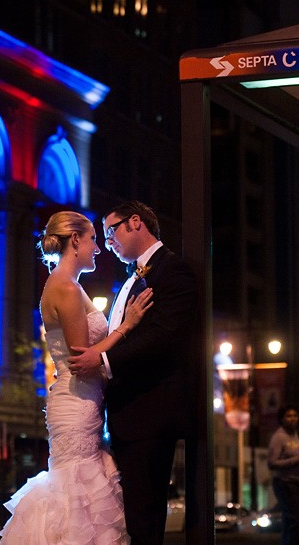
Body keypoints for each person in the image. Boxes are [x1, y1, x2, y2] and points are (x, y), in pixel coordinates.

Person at [0, 210, 153, 544]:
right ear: (76, 241)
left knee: (80, 499)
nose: (99, 248)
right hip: (76, 404)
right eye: (94, 240)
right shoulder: (66, 289)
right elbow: (83, 359)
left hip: (84, 402)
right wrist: (128, 325)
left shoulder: (69, 286)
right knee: (76, 500)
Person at [68, 201, 199, 544]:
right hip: (126, 413)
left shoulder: (172, 271)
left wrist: (105, 363)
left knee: (145, 516)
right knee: (132, 516)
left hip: (150, 412)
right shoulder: (131, 278)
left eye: (111, 232)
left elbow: (166, 337)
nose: (107, 243)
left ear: (136, 222)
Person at [267, 405, 299, 545]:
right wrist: (295, 461)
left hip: (297, 482)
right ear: (281, 419)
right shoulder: (279, 437)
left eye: (295, 416)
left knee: (290, 521)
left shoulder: (295, 435)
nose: (292, 419)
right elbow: (272, 463)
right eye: (288, 416)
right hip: (285, 483)